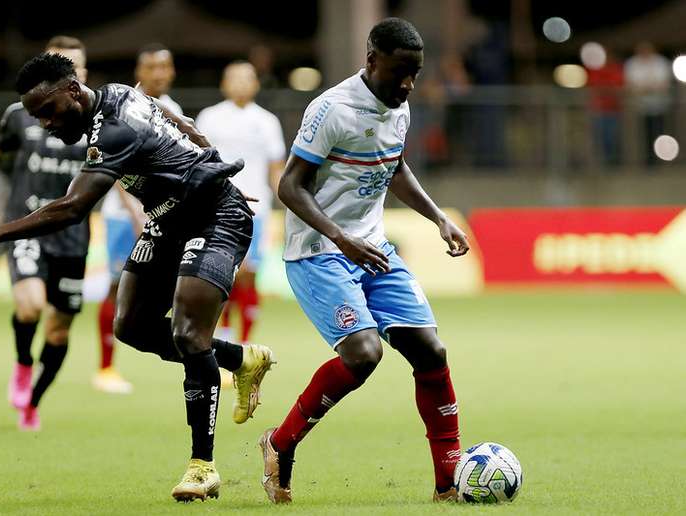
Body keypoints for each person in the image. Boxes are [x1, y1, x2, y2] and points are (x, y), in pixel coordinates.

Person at [0, 52, 275, 501]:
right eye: (36, 116)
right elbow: (166, 112)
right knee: (132, 326)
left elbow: (72, 207)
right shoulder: (119, 93)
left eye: (48, 111)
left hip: (216, 218)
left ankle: (203, 467)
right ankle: (240, 359)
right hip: (167, 219)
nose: (45, 123)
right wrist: (206, 149)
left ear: (72, 91)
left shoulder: (113, 130)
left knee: (188, 334)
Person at [257, 18, 470, 504]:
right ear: (372, 61)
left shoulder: (400, 107)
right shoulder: (331, 108)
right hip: (317, 252)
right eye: (400, 72)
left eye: (414, 73)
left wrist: (438, 217)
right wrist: (340, 237)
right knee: (364, 354)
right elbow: (289, 185)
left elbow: (392, 166)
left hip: (371, 249)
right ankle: (280, 442)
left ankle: (448, 481)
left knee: (431, 352)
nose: (408, 84)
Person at [0, 36, 91, 431]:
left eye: (79, 67)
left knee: (59, 330)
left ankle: (33, 403)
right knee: (30, 306)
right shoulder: (21, 113)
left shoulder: (96, 121)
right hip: (25, 225)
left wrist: (136, 211)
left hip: (72, 235)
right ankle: (24, 362)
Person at [94, 43, 184, 394]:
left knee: (183, 286)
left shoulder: (173, 109)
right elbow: (113, 164)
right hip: (123, 216)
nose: (159, 73)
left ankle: (192, 356)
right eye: (152, 67)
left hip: (164, 215)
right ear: (139, 72)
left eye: (165, 66)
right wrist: (134, 209)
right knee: (116, 287)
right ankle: (105, 367)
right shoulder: (123, 105)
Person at [196, 61, 285, 349]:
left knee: (249, 274)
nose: (241, 83)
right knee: (220, 274)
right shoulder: (209, 118)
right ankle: (224, 336)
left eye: (247, 78)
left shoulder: (267, 121)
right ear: (224, 83)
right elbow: (199, 163)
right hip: (216, 209)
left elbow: (276, 170)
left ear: (256, 84)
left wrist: (286, 209)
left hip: (256, 210)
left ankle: (246, 343)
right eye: (234, 78)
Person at [624, 42, 671, 167]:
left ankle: (662, 159)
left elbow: (663, 84)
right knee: (643, 135)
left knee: (661, 133)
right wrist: (650, 87)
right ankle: (647, 160)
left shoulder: (661, 62)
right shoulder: (632, 63)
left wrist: (646, 88)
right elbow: (632, 86)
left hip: (660, 106)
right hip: (640, 107)